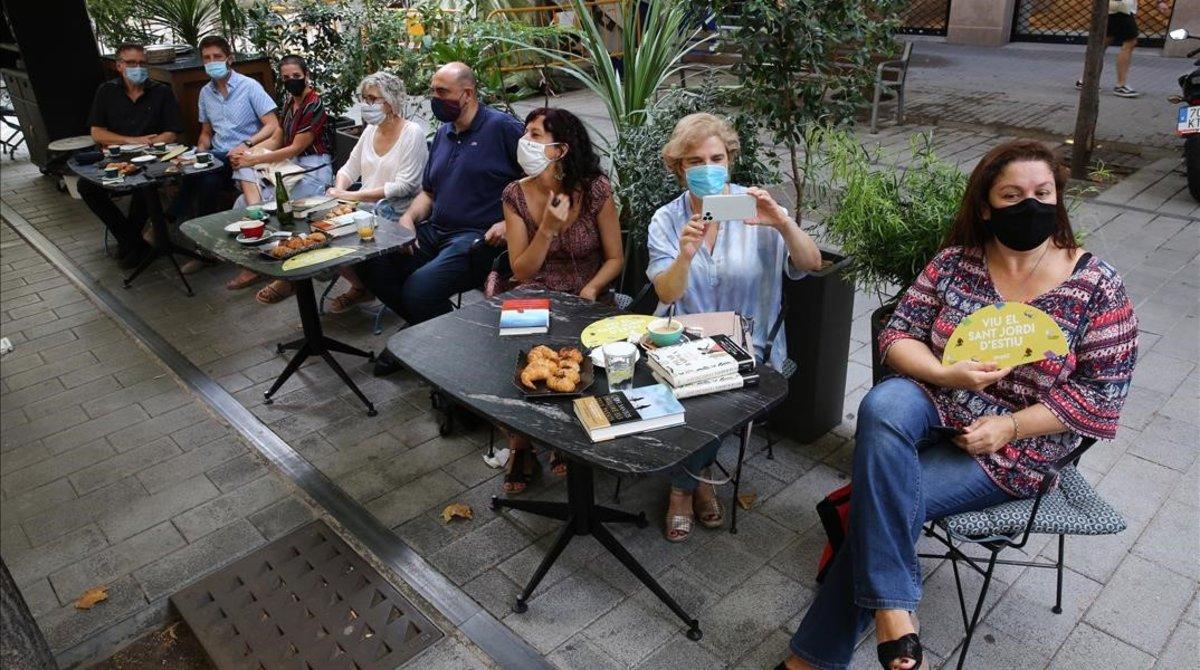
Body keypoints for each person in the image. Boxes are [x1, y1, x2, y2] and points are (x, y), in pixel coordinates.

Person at [778, 139, 1139, 670]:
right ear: (986, 204)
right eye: (1012, 195)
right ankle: (897, 608)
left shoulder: (1097, 286)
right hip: (936, 400)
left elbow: (1101, 396)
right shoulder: (955, 262)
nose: (1030, 205)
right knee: (884, 403)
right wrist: (945, 371)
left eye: (1042, 193)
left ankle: (814, 658)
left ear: (1058, 198)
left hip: (1014, 446)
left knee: (886, 504)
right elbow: (898, 334)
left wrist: (1011, 427)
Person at [646, 112, 823, 541]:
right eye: (695, 161)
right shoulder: (667, 220)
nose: (708, 168)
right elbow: (667, 294)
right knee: (704, 390)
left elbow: (812, 264)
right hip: (682, 340)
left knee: (722, 393)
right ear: (679, 168)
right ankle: (702, 481)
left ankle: (682, 488)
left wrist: (782, 222)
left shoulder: (755, 208)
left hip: (751, 343)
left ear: (730, 160)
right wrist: (685, 255)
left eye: (716, 157)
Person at [357, 62, 524, 375]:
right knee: (368, 258)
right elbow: (429, 193)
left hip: (478, 239)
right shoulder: (445, 134)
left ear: (468, 94)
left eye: (442, 92)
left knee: (420, 289)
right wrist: (407, 221)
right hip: (434, 231)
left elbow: (535, 182)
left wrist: (510, 223)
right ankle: (428, 332)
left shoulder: (502, 128)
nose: (434, 98)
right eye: (433, 90)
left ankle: (438, 346)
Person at [498, 107, 622, 493]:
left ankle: (568, 438)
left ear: (560, 149)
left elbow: (616, 258)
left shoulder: (596, 188)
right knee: (512, 357)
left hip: (588, 294)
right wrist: (548, 230)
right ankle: (522, 444)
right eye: (526, 133)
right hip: (534, 293)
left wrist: (590, 289)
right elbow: (521, 270)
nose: (525, 142)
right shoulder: (515, 194)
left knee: (584, 361)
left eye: (535, 136)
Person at [225, 55, 335, 302]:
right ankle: (262, 260)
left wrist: (255, 160)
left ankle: (279, 272)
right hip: (291, 168)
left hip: (313, 170)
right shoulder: (288, 102)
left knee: (272, 208)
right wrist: (249, 152)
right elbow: (278, 138)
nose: (291, 81)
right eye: (286, 78)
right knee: (243, 202)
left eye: (296, 76)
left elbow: (296, 147)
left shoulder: (313, 105)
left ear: (306, 75)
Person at [323, 71, 427, 314]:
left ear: (390, 102)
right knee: (322, 229)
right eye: (364, 98)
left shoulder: (412, 133)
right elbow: (350, 168)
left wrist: (350, 196)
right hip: (365, 209)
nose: (366, 104)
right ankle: (361, 286)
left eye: (372, 99)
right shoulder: (371, 130)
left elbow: (405, 186)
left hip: (397, 211)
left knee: (337, 240)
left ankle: (367, 287)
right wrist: (340, 188)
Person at [169, 35, 280, 258]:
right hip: (218, 158)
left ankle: (169, 221)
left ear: (230, 58)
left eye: (217, 57)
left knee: (203, 173)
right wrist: (200, 152)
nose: (212, 62)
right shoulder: (205, 93)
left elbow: (272, 125)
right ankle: (206, 247)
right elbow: (206, 133)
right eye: (207, 58)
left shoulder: (249, 87)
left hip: (244, 156)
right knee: (206, 179)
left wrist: (246, 143)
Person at [81, 42, 184, 269]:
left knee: (144, 186)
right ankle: (132, 240)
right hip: (117, 157)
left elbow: (173, 132)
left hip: (152, 157)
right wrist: (131, 141)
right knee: (86, 187)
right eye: (130, 63)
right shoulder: (107, 91)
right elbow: (97, 132)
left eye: (141, 63)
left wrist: (149, 143)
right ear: (119, 66)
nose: (137, 67)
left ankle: (131, 247)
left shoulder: (161, 92)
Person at [1074, 0, 1170, 98]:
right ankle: (1120, 85)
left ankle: (1086, 80)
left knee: (1102, 44)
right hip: (1121, 7)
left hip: (1110, 7)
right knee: (1129, 42)